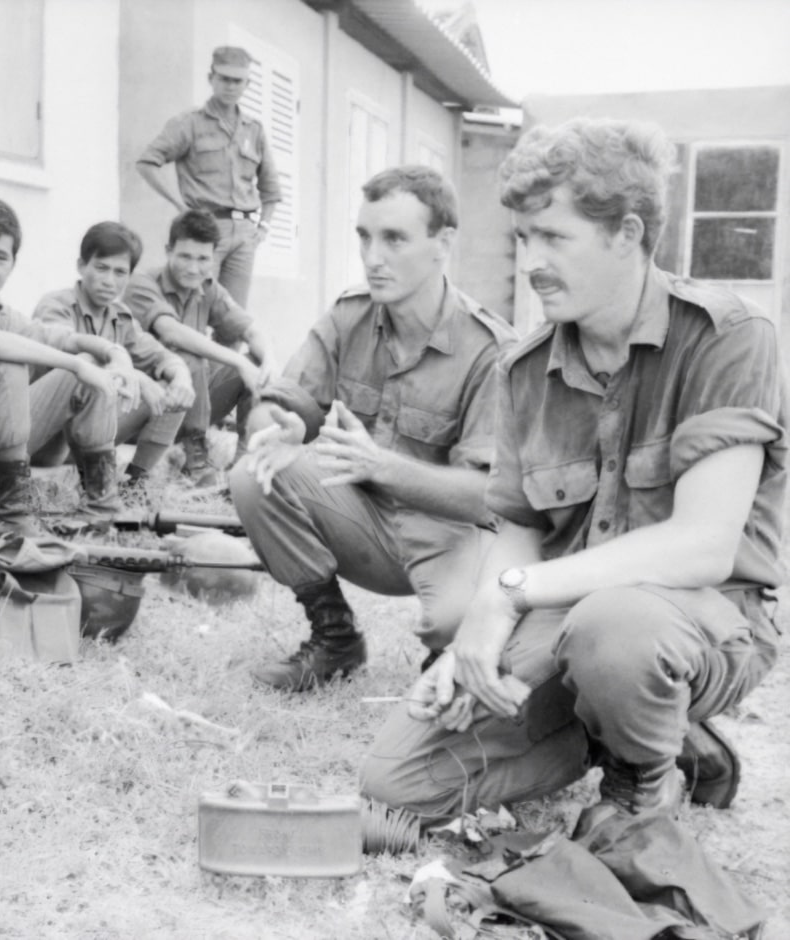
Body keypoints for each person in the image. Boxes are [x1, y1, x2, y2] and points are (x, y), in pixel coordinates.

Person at [360, 119, 784, 834]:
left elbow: (704, 546)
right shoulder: (525, 369)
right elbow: (520, 530)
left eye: (555, 237)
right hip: (567, 620)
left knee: (615, 626)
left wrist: (507, 597)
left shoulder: (728, 338)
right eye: (525, 238)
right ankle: (640, 728)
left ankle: (641, 776)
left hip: (705, 620)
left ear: (626, 232)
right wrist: (481, 641)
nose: (533, 260)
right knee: (393, 784)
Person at [229, 166, 515, 692]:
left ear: (442, 243)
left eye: (394, 239)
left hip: (448, 532)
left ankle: (445, 664)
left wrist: (381, 465)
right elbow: (281, 401)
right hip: (360, 515)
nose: (373, 257)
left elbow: (488, 498)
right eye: (364, 236)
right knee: (255, 474)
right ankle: (335, 637)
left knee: (457, 623)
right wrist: (276, 428)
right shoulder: (348, 316)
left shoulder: (489, 350)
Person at [0, 199, 138, 531]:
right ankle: (13, 515)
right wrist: (75, 364)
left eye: (0, 258)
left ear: (13, 263)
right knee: (12, 363)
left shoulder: (1, 313)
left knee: (89, 364)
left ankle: (101, 507)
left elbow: (63, 338)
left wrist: (116, 354)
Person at [31, 221, 196, 488]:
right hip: (49, 437)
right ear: (81, 266)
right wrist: (137, 377)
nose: (110, 281)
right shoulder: (56, 305)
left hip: (92, 432)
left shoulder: (120, 316)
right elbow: (75, 359)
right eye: (101, 268)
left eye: (120, 272)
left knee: (172, 389)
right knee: (88, 365)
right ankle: (94, 485)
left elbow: (160, 355)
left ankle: (135, 482)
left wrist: (182, 379)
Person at [124, 208, 279, 487]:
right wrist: (237, 361)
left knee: (255, 363)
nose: (193, 268)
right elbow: (171, 332)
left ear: (213, 257)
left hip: (191, 401)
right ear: (168, 250)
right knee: (189, 358)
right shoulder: (142, 283)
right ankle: (195, 461)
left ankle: (244, 462)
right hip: (145, 406)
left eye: (203, 259)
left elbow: (251, 330)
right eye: (184, 256)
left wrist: (269, 360)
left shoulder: (209, 288)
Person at [136, 45, 280, 306]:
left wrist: (264, 227)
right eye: (224, 79)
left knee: (233, 318)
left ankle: (229, 350)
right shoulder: (189, 123)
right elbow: (147, 163)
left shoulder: (254, 130)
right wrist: (180, 205)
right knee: (195, 307)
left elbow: (271, 188)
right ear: (210, 78)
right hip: (205, 229)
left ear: (247, 84)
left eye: (238, 81)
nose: (230, 87)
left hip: (245, 234)